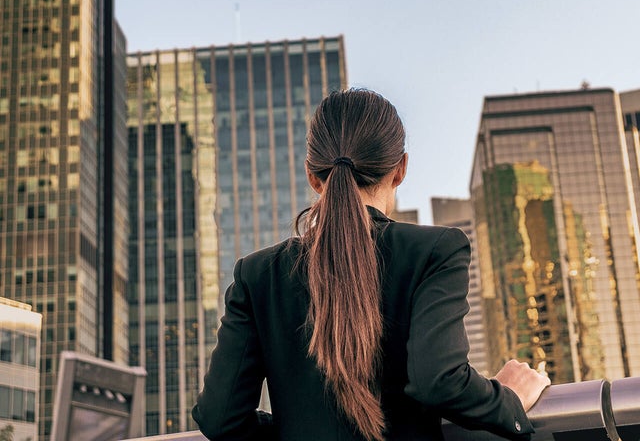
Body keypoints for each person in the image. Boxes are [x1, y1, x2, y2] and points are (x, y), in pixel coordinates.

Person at [192, 88, 550, 440]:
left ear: (312, 176)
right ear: (400, 169)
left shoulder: (257, 275)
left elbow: (220, 417)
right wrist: (510, 399)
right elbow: (438, 381)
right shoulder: (436, 250)